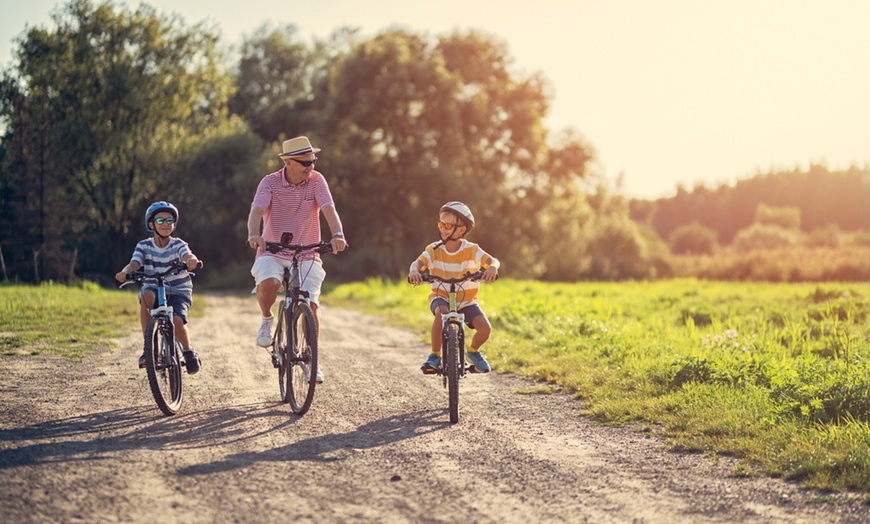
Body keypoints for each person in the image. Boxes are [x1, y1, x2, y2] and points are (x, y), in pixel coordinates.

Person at [246, 136, 347, 384]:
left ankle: (312, 358)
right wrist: (254, 234)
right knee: (268, 283)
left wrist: (337, 234)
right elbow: (256, 211)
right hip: (272, 250)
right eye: (304, 162)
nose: (310, 166)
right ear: (288, 162)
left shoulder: (316, 181)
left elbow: (329, 209)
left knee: (310, 304)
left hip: (307, 253)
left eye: (313, 161)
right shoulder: (269, 182)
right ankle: (267, 318)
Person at [408, 201, 500, 374]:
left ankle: (472, 352)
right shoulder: (434, 249)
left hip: (466, 301)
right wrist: (415, 272)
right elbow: (417, 263)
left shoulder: (472, 250)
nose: (442, 228)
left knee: (485, 329)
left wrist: (493, 268)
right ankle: (435, 355)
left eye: (447, 225)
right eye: (440, 224)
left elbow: (492, 261)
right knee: (441, 313)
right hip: (440, 295)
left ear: (461, 230)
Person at [115, 201, 203, 374]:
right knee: (146, 296)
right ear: (151, 224)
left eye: (169, 220)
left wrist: (191, 260)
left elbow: (187, 254)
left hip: (178, 290)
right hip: (153, 287)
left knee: (177, 322)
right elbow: (134, 263)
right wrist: (125, 272)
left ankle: (188, 351)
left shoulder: (178, 244)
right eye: (160, 220)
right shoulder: (144, 246)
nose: (165, 224)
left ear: (174, 224)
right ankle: (149, 350)